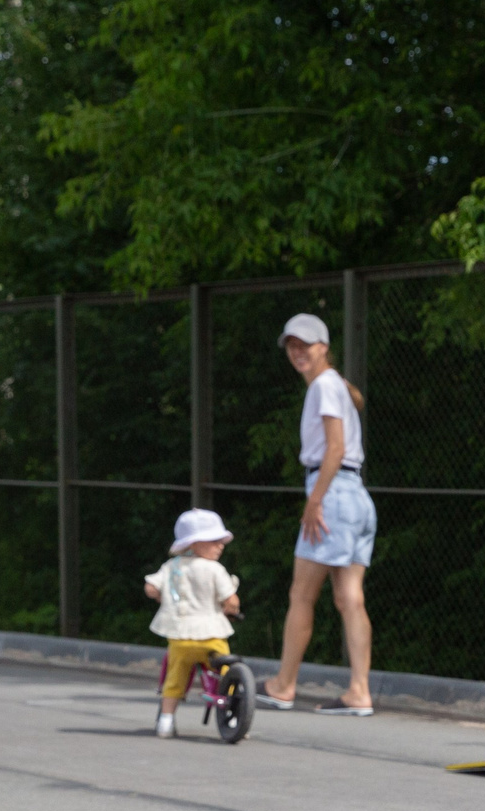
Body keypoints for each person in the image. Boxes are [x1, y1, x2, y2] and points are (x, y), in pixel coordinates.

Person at [260, 313, 376, 716]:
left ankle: (283, 685)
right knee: (349, 598)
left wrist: (315, 501)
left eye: (304, 344)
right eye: (291, 345)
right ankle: (359, 691)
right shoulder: (335, 386)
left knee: (301, 594)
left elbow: (335, 447)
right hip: (357, 498)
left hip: (334, 495)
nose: (297, 352)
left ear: (323, 347)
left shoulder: (324, 386)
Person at [142, 509, 243, 739]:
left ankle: (166, 722)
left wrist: (160, 594)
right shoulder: (215, 570)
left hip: (180, 637)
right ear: (195, 543)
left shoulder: (172, 567)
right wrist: (231, 609)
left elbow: (151, 587)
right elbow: (231, 599)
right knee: (226, 673)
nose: (221, 545)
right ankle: (236, 715)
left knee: (175, 679)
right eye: (215, 541)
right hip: (212, 637)